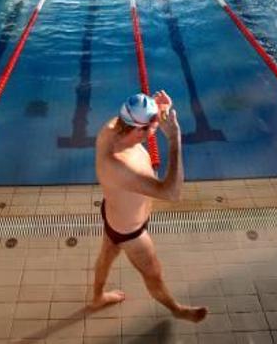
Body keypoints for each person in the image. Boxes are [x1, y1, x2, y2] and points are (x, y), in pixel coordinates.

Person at [89, 91, 208, 323]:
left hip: (115, 216)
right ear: (139, 129)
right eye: (153, 126)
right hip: (131, 232)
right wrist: (174, 139)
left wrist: (154, 107)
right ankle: (176, 309)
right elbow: (172, 193)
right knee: (154, 275)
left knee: (107, 254)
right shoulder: (120, 165)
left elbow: (136, 116)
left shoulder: (111, 128)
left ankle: (97, 298)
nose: (157, 128)